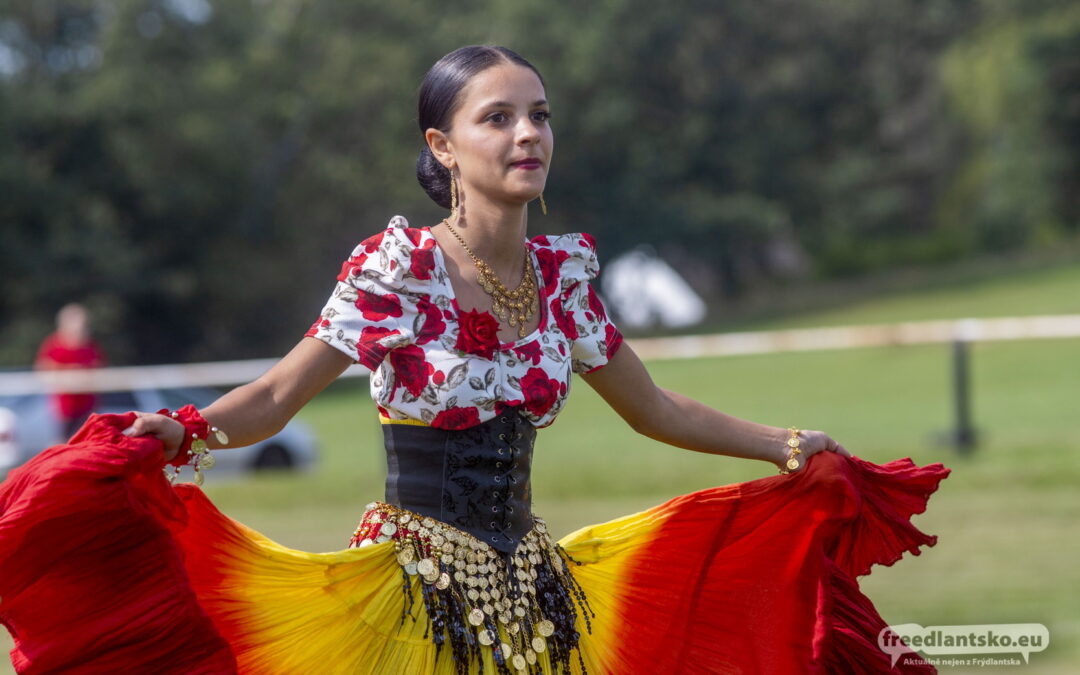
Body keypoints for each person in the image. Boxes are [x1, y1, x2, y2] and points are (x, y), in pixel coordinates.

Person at [0, 46, 949, 674]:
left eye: (538, 114)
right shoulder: (397, 270)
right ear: (442, 145)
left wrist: (790, 444)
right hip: (408, 597)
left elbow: (656, 409)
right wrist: (187, 429)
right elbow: (280, 396)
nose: (528, 133)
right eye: (497, 118)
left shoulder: (564, 275)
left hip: (541, 596)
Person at [34, 302, 106, 438]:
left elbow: (98, 366)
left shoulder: (90, 345)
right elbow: (43, 368)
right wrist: (71, 371)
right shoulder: (54, 344)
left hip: (87, 406)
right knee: (62, 443)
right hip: (63, 408)